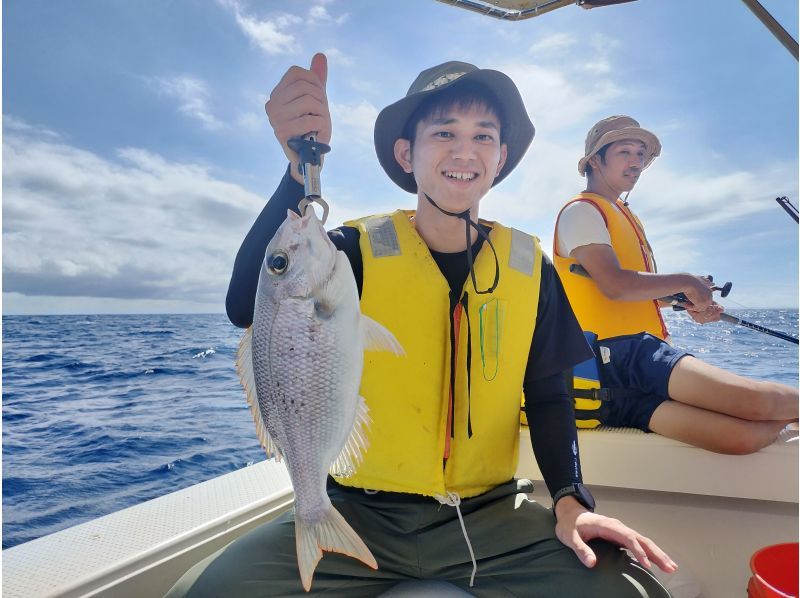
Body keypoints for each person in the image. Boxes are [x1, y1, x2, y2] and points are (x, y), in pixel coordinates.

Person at [166, 56, 676, 597]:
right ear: (407, 154)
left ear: (500, 157)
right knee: (196, 594)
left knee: (634, 592)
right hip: (357, 510)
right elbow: (249, 303)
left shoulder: (531, 268)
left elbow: (550, 395)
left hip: (490, 515)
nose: (464, 150)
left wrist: (571, 501)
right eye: (443, 133)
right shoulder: (350, 254)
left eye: (484, 135)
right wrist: (298, 171)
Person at [553, 115, 798, 455]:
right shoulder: (582, 211)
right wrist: (686, 280)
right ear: (595, 159)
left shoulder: (622, 215)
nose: (636, 162)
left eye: (641, 154)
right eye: (625, 152)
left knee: (744, 435)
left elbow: (634, 295)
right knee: (754, 406)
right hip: (618, 359)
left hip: (628, 365)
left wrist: (685, 299)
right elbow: (616, 285)